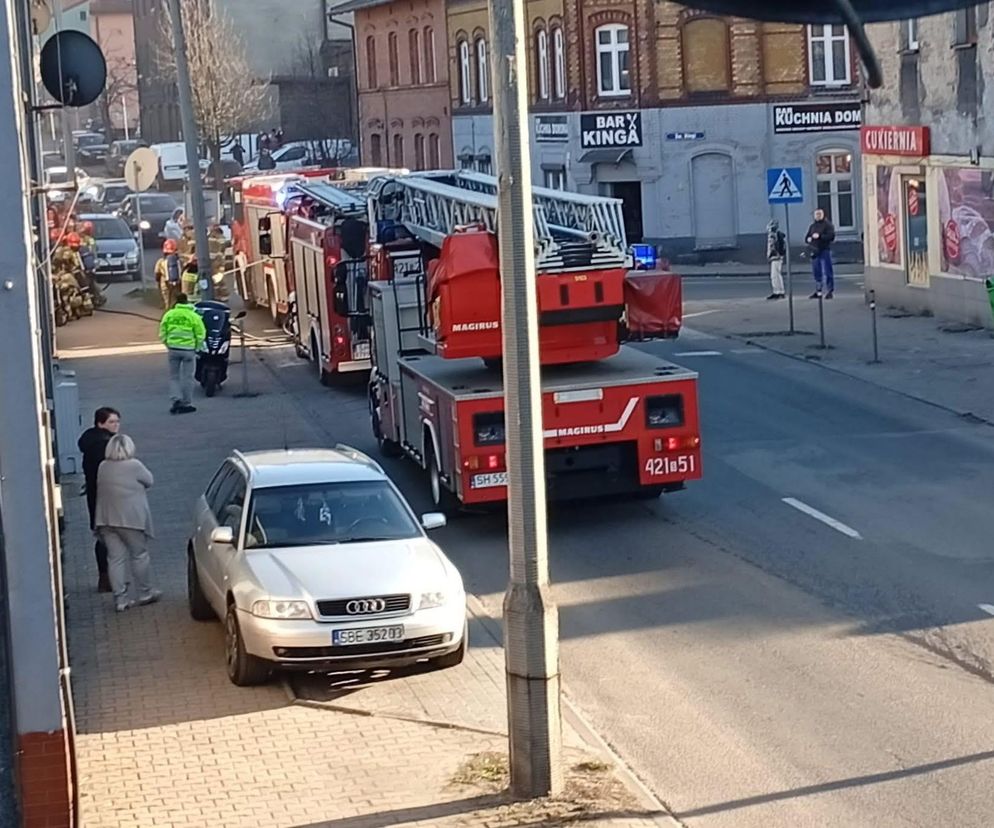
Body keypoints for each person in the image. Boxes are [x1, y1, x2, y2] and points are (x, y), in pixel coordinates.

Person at [94, 433, 160, 612]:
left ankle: (120, 599)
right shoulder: (135, 465)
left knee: (115, 559)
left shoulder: (103, 466)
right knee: (139, 555)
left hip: (106, 518)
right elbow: (150, 481)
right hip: (131, 519)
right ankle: (144, 592)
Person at [77, 407, 121, 593]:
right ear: (100, 423)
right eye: (111, 422)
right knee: (108, 537)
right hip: (105, 498)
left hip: (95, 497)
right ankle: (108, 578)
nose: (116, 425)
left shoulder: (91, 442)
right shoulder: (104, 446)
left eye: (117, 421)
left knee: (102, 536)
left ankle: (105, 577)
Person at [159, 292, 206, 414]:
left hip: (173, 349)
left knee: (174, 377)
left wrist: (168, 344)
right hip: (188, 350)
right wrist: (197, 347)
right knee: (188, 377)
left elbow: (162, 332)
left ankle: (176, 399)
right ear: (187, 302)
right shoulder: (193, 316)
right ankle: (187, 403)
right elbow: (200, 334)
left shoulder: (169, 314)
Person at [805, 208, 836, 299]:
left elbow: (831, 236)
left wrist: (820, 236)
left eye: (819, 214)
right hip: (814, 251)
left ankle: (830, 291)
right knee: (816, 272)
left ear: (823, 215)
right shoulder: (812, 226)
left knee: (827, 271)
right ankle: (818, 291)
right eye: (816, 214)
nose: (818, 216)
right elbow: (807, 236)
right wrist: (808, 239)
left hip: (824, 250)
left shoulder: (828, 225)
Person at [154, 239, 182, 309]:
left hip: (165, 285)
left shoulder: (160, 262)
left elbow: (157, 274)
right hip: (177, 285)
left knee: (168, 303)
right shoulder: (179, 261)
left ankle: (169, 315)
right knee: (176, 301)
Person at [766, 219, 786, 300]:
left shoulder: (775, 235)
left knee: (775, 275)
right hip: (775, 257)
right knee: (776, 275)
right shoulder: (775, 235)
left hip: (776, 257)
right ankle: (779, 291)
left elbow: (775, 246)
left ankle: (778, 292)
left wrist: (777, 255)